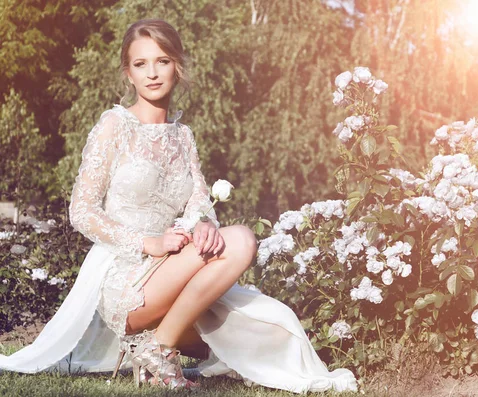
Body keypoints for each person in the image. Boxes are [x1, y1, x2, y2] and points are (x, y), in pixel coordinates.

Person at [0, 19, 357, 393]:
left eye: (163, 61)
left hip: (173, 273)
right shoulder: (114, 125)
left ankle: (159, 343)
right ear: (128, 73)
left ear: (178, 66)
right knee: (241, 240)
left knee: (271, 327)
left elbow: (200, 200)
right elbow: (82, 211)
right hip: (126, 279)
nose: (152, 73)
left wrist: (203, 222)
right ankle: (160, 345)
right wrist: (147, 243)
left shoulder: (183, 136)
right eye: (141, 64)